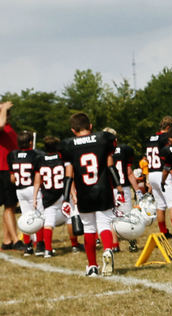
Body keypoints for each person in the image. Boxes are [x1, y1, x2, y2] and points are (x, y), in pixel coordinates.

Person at [61, 112, 119, 277]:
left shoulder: (69, 145)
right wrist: (119, 187)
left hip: (84, 192)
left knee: (89, 228)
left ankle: (92, 266)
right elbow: (110, 166)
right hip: (103, 190)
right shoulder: (103, 139)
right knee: (104, 225)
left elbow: (68, 174)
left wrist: (66, 198)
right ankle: (107, 250)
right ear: (91, 126)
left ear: (73, 130)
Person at [32, 135, 76, 258]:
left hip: (48, 195)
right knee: (70, 217)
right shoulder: (62, 158)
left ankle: (48, 250)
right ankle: (74, 245)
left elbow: (37, 182)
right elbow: (69, 177)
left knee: (48, 222)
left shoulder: (40, 159)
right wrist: (73, 194)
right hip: (62, 192)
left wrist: (35, 198)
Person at [0, 100, 20, 250]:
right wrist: (3, 109)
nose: (8, 115)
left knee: (11, 206)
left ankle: (7, 241)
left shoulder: (9, 128)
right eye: (5, 112)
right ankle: (16, 240)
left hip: (11, 170)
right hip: (1, 170)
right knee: (8, 206)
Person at [105, 127, 143, 252]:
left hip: (108, 188)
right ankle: (132, 242)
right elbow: (129, 172)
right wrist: (137, 190)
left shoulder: (100, 152)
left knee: (111, 217)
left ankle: (115, 246)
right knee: (127, 216)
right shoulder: (124, 150)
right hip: (123, 187)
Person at [144, 116, 172, 239]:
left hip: (152, 173)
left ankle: (163, 231)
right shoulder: (165, 138)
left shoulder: (150, 138)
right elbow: (169, 155)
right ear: (168, 127)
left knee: (160, 204)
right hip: (162, 172)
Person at [7, 130, 43, 255]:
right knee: (38, 217)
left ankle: (28, 246)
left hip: (20, 189)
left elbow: (12, 178)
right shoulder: (35, 155)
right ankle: (39, 245)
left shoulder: (12, 155)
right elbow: (38, 175)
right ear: (30, 142)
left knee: (26, 218)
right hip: (32, 188)